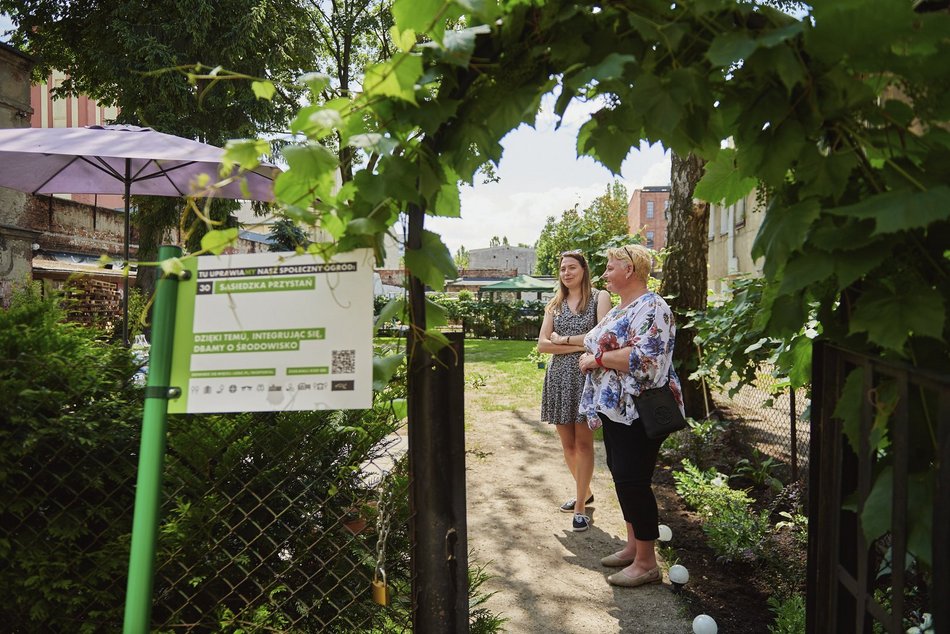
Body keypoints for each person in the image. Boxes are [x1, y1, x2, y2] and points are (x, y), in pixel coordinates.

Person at [577, 244, 684, 587]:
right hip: (615, 408)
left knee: (633, 481)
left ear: (631, 270)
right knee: (623, 478)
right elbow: (598, 342)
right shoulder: (624, 308)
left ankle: (647, 562)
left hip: (638, 409)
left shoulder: (654, 307)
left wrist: (596, 360)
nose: (605, 273)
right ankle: (633, 547)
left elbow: (644, 360)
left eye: (611, 267)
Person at [538, 250, 612, 532]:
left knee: (583, 444)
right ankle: (586, 490)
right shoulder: (554, 304)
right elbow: (543, 345)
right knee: (567, 445)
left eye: (572, 267)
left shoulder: (599, 297)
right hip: (558, 378)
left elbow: (602, 339)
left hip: (586, 377)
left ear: (583, 269)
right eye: (562, 269)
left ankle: (581, 506)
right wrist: (582, 343)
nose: (566, 273)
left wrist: (566, 341)